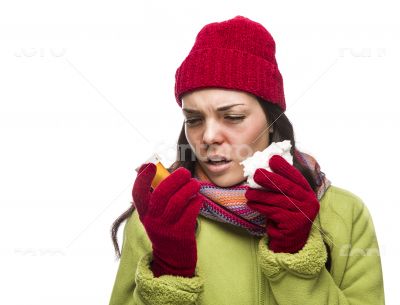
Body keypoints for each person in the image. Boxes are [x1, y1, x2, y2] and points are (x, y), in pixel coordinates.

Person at [108, 15, 385, 305]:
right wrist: (169, 271)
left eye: (233, 117)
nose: (209, 136)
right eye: (194, 119)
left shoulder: (344, 213)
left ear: (272, 119)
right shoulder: (158, 217)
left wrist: (296, 257)